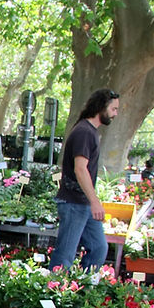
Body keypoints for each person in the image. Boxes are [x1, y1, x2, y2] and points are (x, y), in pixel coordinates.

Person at [48, 89, 119, 271]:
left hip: (82, 203)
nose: (115, 114)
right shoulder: (84, 132)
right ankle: (55, 287)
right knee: (65, 254)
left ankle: (83, 285)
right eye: (113, 109)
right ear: (101, 107)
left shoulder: (89, 131)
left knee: (98, 248)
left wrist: (92, 201)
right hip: (73, 203)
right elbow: (80, 169)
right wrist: (95, 201)